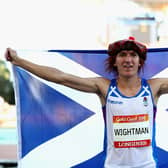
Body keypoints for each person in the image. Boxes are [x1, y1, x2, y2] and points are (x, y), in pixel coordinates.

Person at [5, 37, 168, 168]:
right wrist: (19, 61)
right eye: (122, 55)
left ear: (140, 61)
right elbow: (62, 78)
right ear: (115, 61)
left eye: (133, 55)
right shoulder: (104, 87)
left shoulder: (154, 87)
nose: (128, 60)